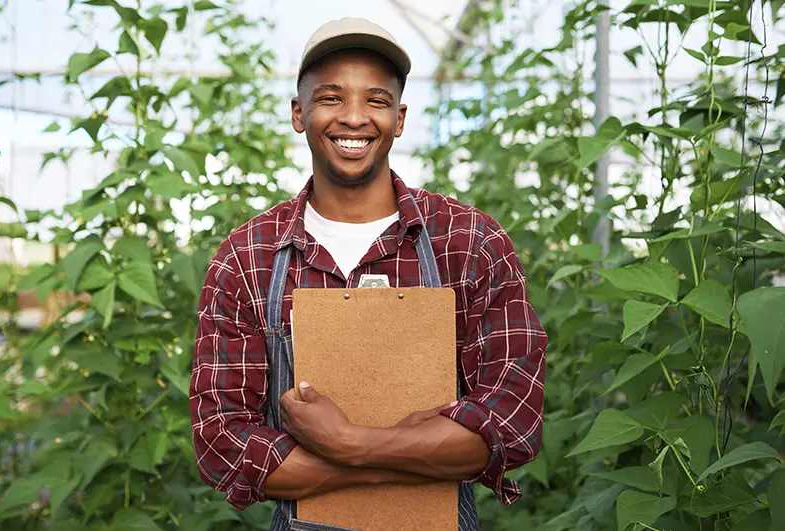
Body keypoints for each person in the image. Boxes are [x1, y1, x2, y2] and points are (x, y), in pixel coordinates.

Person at [190, 17, 547, 531]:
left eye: (376, 101)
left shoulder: (469, 242)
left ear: (399, 119)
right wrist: (408, 459)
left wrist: (350, 443)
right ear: (299, 113)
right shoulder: (249, 256)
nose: (354, 118)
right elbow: (223, 443)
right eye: (332, 98)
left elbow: (510, 422)